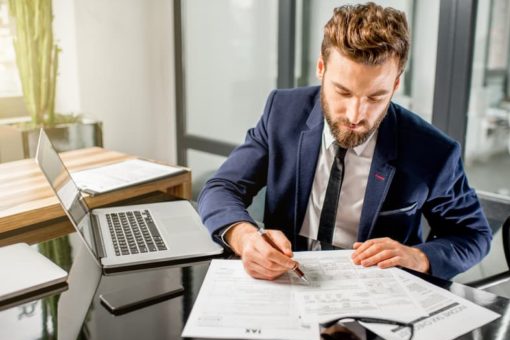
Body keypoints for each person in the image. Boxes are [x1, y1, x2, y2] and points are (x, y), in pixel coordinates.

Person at [198, 2, 492, 281]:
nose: (355, 115)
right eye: (343, 92)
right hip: (285, 281)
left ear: (396, 84)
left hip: (378, 297)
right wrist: (245, 237)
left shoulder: (432, 150)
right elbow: (222, 187)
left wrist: (417, 257)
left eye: (376, 97)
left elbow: (474, 235)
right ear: (321, 68)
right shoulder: (282, 112)